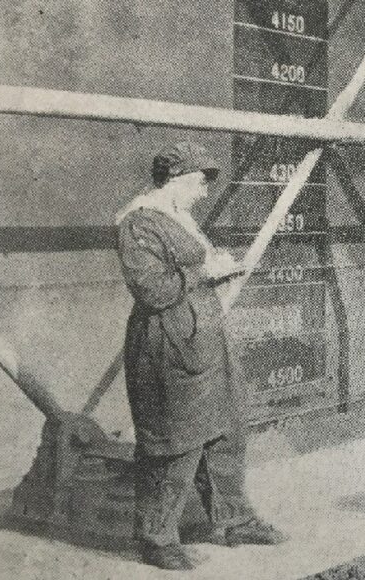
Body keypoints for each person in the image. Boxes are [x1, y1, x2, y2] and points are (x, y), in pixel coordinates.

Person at [116, 141, 287, 570]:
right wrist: (204, 272)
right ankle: (157, 539)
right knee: (175, 441)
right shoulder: (138, 223)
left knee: (225, 429)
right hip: (167, 343)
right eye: (199, 182)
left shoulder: (178, 218)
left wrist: (216, 268)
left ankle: (235, 520)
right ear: (175, 180)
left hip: (205, 337)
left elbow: (189, 273)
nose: (205, 192)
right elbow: (152, 289)